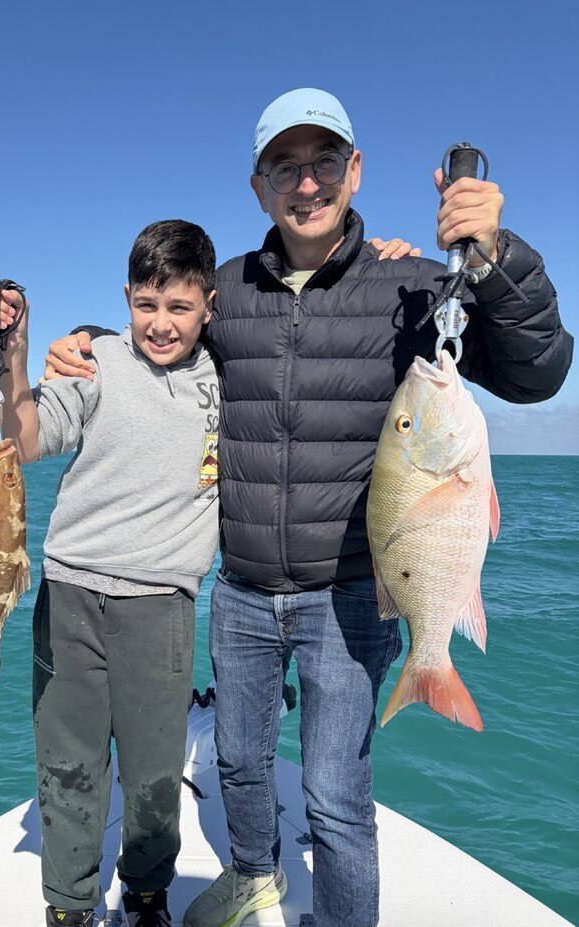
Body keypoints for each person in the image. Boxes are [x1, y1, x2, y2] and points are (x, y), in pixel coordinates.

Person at [42, 88, 573, 927]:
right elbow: (156, 334)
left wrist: (497, 253)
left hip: (353, 596)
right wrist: (78, 341)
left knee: (335, 795)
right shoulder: (225, 292)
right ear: (258, 186)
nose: (308, 183)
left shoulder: (411, 286)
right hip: (242, 590)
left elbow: (539, 372)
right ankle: (256, 877)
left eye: (325, 161)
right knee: (242, 765)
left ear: (355, 172)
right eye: (285, 166)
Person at [0, 220, 224, 927]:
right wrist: (16, 352)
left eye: (179, 307)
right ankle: (70, 906)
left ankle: (146, 897)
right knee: (68, 766)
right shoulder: (97, 361)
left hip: (162, 610)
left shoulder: (226, 381)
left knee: (153, 776)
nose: (162, 323)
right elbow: (26, 438)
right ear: (127, 299)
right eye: (147, 305)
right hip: (71, 598)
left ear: (209, 304)